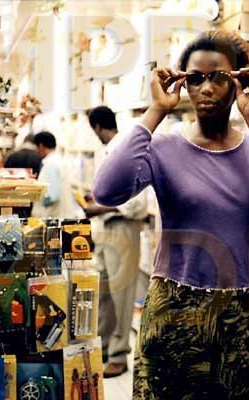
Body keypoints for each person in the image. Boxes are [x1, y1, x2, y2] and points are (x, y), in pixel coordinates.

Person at [93, 29, 249, 399]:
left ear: (240, 81)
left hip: (245, 313)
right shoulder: (163, 147)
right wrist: (156, 111)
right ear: (183, 82)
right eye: (195, 78)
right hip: (175, 307)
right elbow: (106, 190)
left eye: (219, 77)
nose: (206, 88)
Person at [86, 106, 150, 378]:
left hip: (123, 228)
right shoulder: (108, 151)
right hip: (105, 230)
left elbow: (137, 203)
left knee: (121, 294)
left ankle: (119, 355)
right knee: (103, 294)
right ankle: (103, 347)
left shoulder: (126, 151)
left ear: (98, 127)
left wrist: (99, 207)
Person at [31, 131, 84, 219]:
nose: (37, 151)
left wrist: (35, 195)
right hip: (61, 215)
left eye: (37, 147)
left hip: (53, 216)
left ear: (41, 146)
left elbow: (52, 196)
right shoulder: (58, 160)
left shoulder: (50, 164)